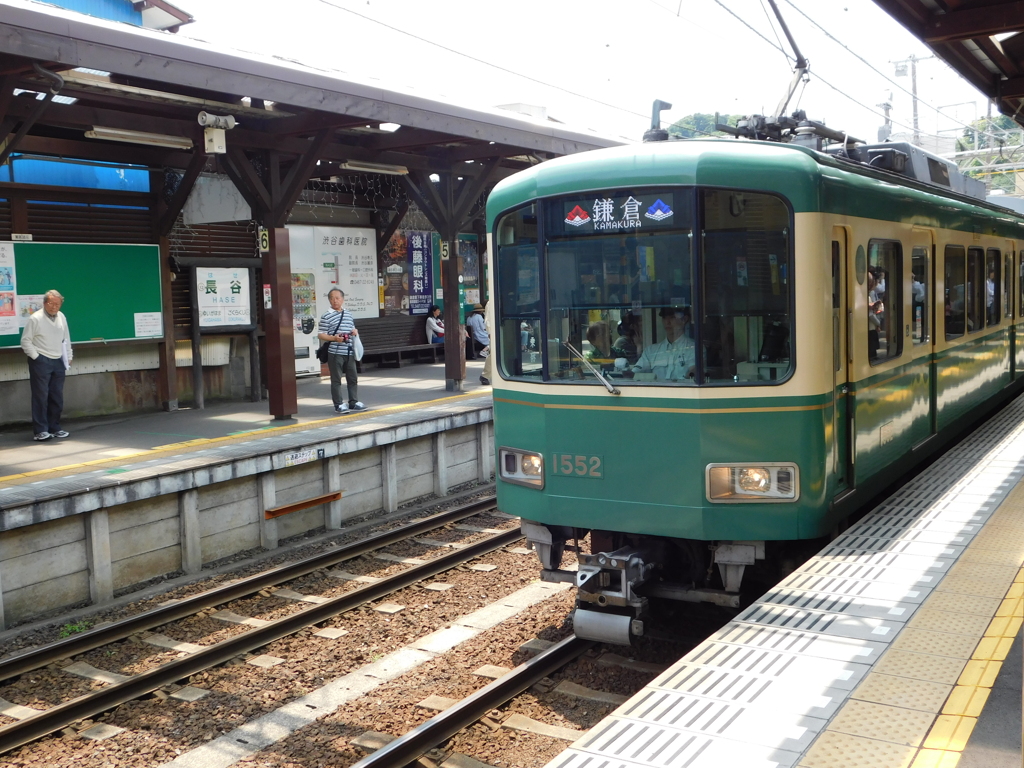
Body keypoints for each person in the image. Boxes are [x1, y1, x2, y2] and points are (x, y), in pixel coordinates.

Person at [21, 289, 72, 441]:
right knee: (41, 396)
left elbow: (66, 338)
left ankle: (54, 427)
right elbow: (25, 341)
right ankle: (40, 430)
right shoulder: (35, 318)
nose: (54, 306)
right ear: (44, 303)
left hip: (58, 360)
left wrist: (69, 356)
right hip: (41, 360)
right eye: (51, 303)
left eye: (57, 304)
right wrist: (37, 357)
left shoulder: (61, 317)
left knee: (56, 395)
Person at [317, 288, 364, 414]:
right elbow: (321, 334)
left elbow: (352, 328)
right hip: (335, 352)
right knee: (336, 379)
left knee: (352, 378)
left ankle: (353, 402)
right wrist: (334, 338)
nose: (335, 301)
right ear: (329, 300)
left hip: (349, 352)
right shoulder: (326, 316)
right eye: (332, 298)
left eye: (337, 298)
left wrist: (355, 332)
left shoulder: (348, 314)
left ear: (342, 299)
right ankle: (338, 404)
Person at [631, 306, 695, 381]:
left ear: (684, 319)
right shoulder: (651, 351)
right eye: (664, 318)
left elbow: (694, 373)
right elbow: (634, 374)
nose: (667, 322)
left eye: (672, 317)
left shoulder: (694, 349)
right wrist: (624, 369)